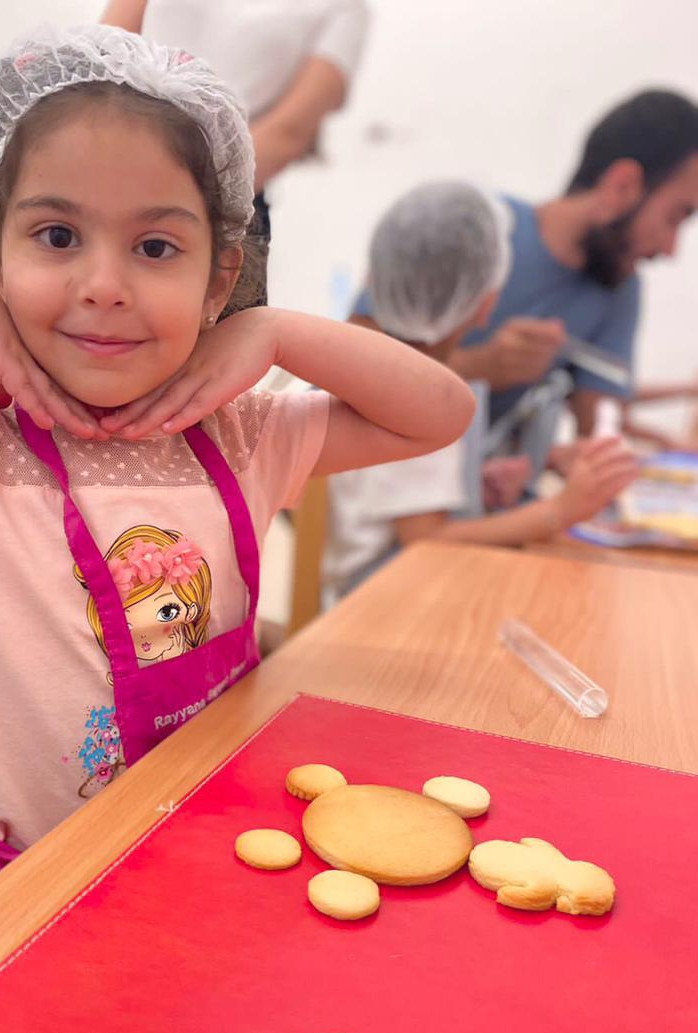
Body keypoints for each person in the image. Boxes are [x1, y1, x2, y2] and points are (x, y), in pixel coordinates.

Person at [0, 26, 472, 944]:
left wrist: (275, 331)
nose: (104, 285)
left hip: (201, 843)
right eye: (57, 236)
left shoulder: (239, 432)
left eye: (157, 248)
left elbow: (437, 413)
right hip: (0, 882)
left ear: (218, 279)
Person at [348, 91, 698, 496]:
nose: (671, 249)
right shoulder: (473, 230)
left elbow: (602, 428)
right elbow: (350, 367)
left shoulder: (619, 283)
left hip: (474, 503)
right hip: (379, 495)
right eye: (676, 217)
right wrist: (482, 366)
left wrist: (573, 457)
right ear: (622, 185)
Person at [322, 182, 638, 603]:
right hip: (383, 603)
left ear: (374, 279)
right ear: (487, 303)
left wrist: (476, 484)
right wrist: (560, 510)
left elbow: (399, 494)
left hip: (379, 594)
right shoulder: (422, 393)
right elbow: (425, 540)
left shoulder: (390, 371)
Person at [101, 0, 370, 302]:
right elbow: (102, 56)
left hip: (225, 200)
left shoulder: (343, 10)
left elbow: (288, 133)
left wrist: (177, 193)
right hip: (113, 173)